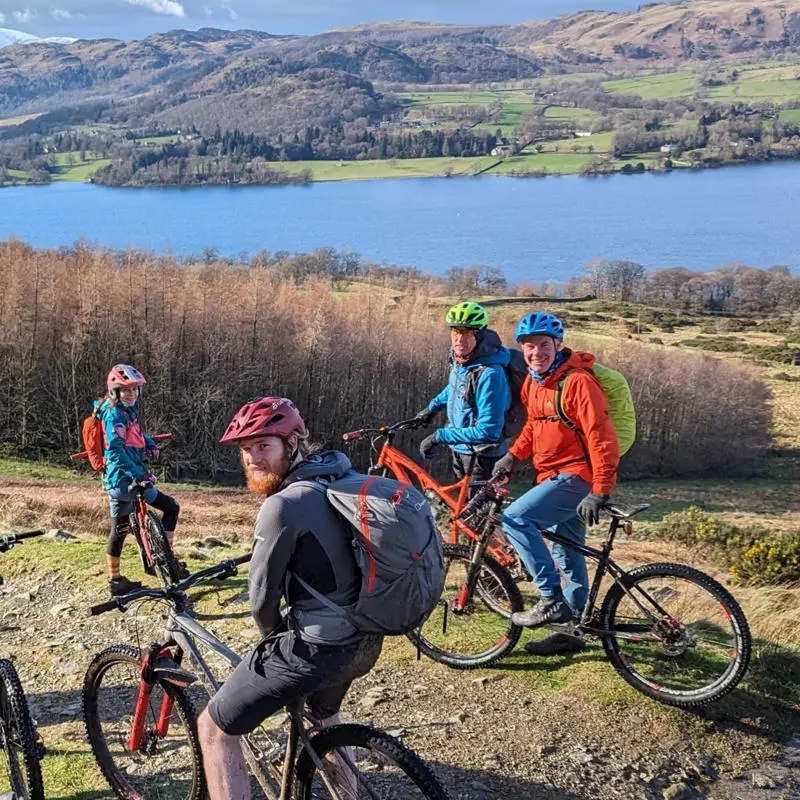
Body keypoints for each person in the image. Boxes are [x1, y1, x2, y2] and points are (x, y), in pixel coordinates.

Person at [197, 397, 383, 800]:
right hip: (366, 639)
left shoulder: (282, 505)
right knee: (326, 719)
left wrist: (273, 643)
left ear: (293, 443)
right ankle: (347, 795)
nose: (252, 458)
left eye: (264, 445)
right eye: (245, 450)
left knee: (213, 729)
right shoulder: (340, 476)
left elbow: (262, 601)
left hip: (320, 647)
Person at [492, 312, 620, 656]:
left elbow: (601, 436)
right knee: (568, 554)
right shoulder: (534, 382)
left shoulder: (578, 382)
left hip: (577, 476)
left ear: (558, 345)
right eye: (529, 346)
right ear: (522, 348)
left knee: (516, 518)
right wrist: (512, 457)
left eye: (544, 345)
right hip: (552, 475)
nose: (536, 352)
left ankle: (550, 599)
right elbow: (535, 426)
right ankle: (573, 630)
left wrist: (601, 489)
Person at [97, 364, 183, 596]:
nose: (132, 394)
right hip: (128, 481)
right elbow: (115, 450)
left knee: (119, 529)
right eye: (126, 390)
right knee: (171, 507)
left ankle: (115, 581)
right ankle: (169, 560)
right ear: (114, 391)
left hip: (115, 482)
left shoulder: (120, 411)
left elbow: (132, 435)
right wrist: (139, 475)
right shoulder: (115, 414)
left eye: (135, 389)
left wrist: (150, 442)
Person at [415, 301, 511, 492]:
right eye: (455, 332)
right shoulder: (463, 361)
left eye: (467, 333)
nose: (460, 339)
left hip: (481, 456)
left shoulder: (490, 374)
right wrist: (432, 408)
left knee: (473, 518)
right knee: (462, 508)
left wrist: (439, 436)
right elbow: (456, 388)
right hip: (461, 449)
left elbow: (489, 431)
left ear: (481, 336)